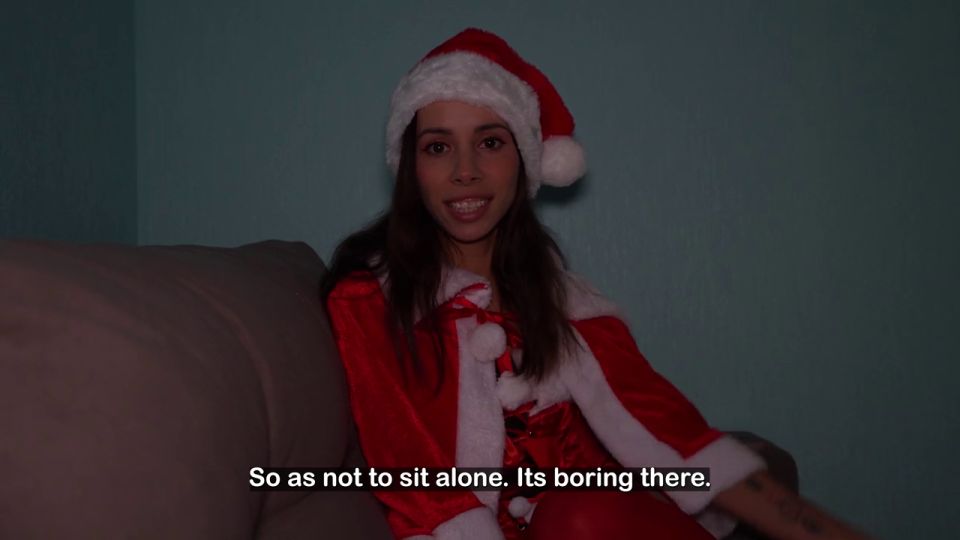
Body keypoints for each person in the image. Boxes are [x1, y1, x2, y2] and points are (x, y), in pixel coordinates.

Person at [321, 28, 869, 540]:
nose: (465, 170)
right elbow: (407, 466)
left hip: (611, 521)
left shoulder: (567, 300)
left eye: (490, 142)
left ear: (524, 160)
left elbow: (671, 430)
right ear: (411, 167)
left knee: (584, 511)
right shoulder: (371, 300)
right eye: (438, 147)